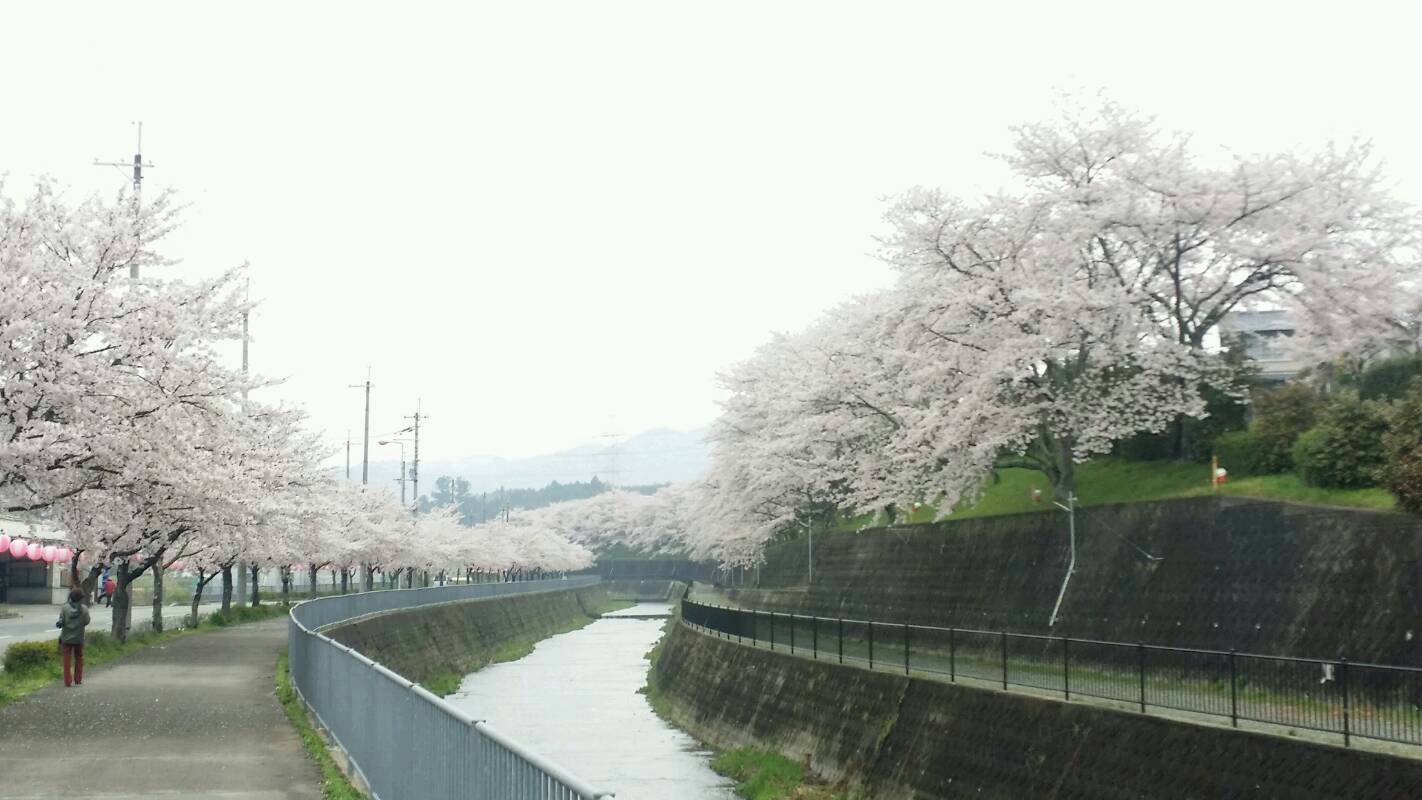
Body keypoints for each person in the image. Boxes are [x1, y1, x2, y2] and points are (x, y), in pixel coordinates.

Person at [56, 588, 91, 687]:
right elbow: (87, 621)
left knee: (67, 660)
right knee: (79, 658)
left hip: (66, 638)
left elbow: (61, 621)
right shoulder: (84, 609)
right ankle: (78, 679)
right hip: (79, 638)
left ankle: (67, 681)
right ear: (80, 599)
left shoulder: (65, 608)